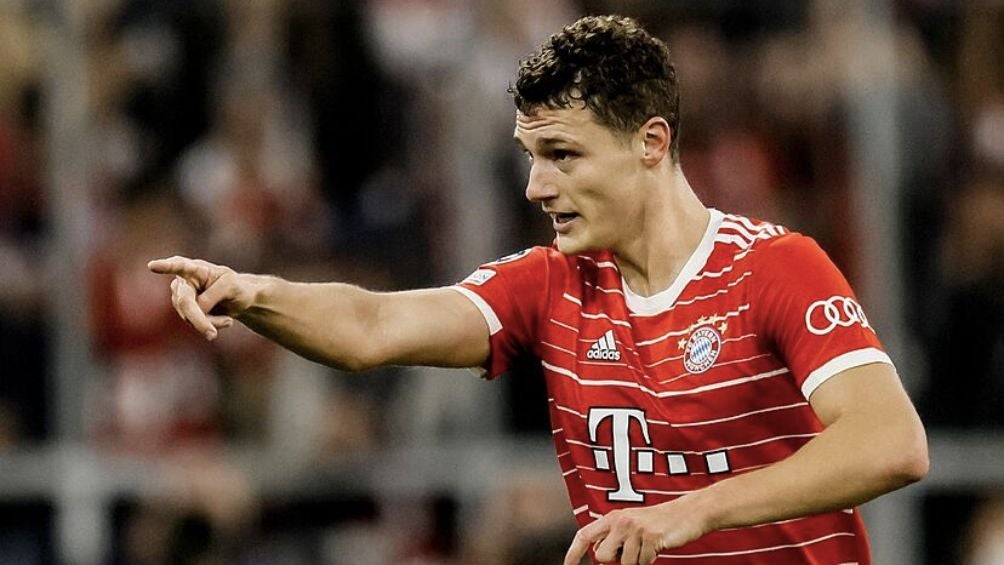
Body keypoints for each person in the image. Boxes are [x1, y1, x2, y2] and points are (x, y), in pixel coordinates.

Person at [149, 15, 928, 565]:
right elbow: (371, 327)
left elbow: (891, 442)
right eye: (530, 155)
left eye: (562, 155)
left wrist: (693, 509)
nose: (535, 186)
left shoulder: (775, 267)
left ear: (650, 143)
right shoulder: (549, 285)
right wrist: (253, 293)